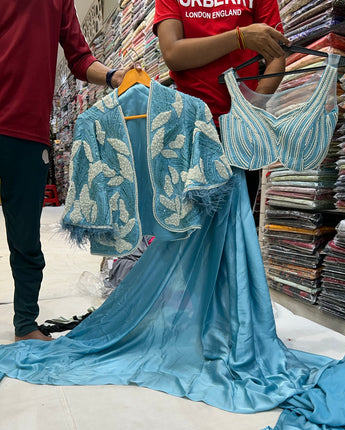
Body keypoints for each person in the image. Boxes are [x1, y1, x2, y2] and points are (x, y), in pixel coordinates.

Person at [0, 0, 129, 342]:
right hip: (22, 129)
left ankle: (26, 323)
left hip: (26, 131)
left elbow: (79, 57)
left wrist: (115, 77)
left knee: (25, 236)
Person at [153, 0, 289, 208]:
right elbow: (172, 54)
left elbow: (277, 55)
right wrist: (239, 37)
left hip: (242, 132)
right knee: (192, 226)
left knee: (238, 225)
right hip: (191, 131)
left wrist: (251, 111)